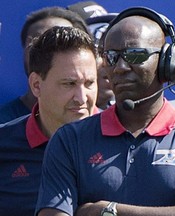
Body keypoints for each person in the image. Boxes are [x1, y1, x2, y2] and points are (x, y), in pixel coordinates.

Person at [36, 7, 175, 216]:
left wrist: (106, 211)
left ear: (167, 62)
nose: (120, 67)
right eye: (111, 56)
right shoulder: (69, 139)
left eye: (135, 55)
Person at [0, 26, 98, 215]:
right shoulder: (4, 144)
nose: (82, 97)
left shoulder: (124, 140)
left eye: (89, 83)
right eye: (69, 84)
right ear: (36, 85)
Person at [0, 6, 92, 123]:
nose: (81, 98)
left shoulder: (100, 125)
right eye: (36, 43)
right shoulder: (4, 127)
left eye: (64, 44)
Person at [68, 1, 116, 110]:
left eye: (111, 51)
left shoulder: (130, 116)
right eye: (97, 51)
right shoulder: (38, 119)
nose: (107, 61)